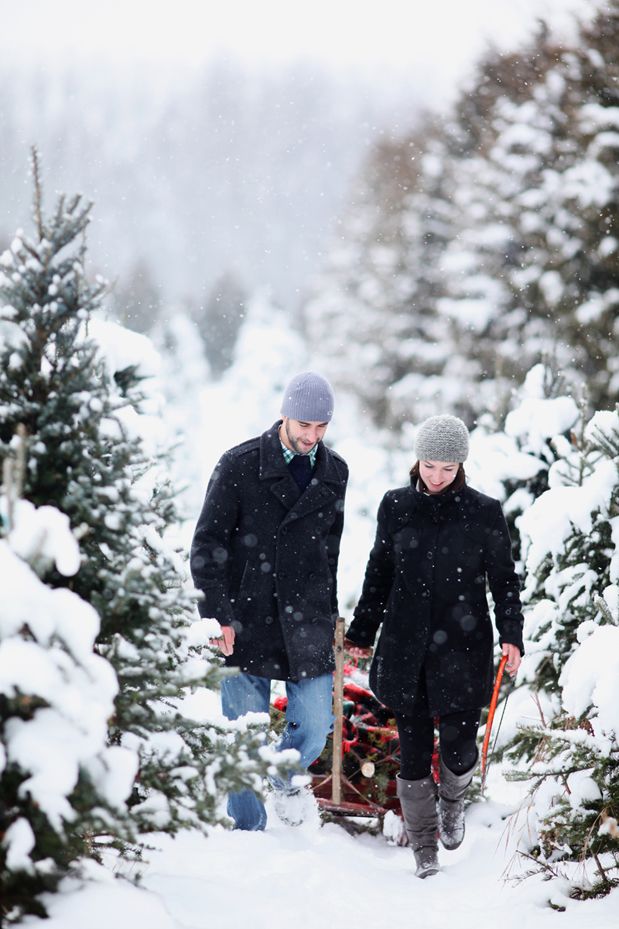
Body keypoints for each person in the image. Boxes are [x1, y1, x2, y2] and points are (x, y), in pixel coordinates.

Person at [344, 414, 524, 878]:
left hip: (463, 648)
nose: (437, 476)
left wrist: (512, 636)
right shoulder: (396, 506)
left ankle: (453, 800)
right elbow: (378, 573)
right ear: (417, 459)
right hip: (407, 648)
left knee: (460, 748)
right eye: (429, 465)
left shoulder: (484, 511)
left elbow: (504, 582)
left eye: (447, 467)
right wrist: (362, 633)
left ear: (461, 465)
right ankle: (424, 847)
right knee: (413, 750)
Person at [190, 372, 348, 830]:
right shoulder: (239, 464)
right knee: (243, 735)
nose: (311, 436)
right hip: (244, 615)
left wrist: (329, 613)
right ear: (284, 413)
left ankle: (284, 776)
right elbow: (207, 545)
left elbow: (329, 551)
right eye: (304, 424)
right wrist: (219, 615)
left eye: (321, 427)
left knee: (316, 725)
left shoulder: (335, 471)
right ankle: (247, 834)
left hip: (307, 617)